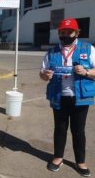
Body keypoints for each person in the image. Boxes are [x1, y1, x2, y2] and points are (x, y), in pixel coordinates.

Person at [39, 18, 94, 177]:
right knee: (60, 129)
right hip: (59, 96)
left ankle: (80, 161)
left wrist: (87, 72)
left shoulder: (88, 49)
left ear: (76, 33)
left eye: (69, 32)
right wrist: (45, 75)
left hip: (80, 97)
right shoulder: (52, 52)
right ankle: (58, 157)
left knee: (78, 131)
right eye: (62, 32)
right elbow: (42, 73)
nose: (65, 35)